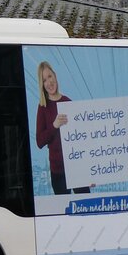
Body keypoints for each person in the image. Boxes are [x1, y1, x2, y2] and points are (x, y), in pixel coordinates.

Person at [34, 61, 89, 195]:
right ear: (42, 85)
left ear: (55, 76)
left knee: (85, 206)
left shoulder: (68, 102)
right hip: (58, 171)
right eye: (44, 80)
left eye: (50, 76)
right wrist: (54, 126)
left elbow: (81, 138)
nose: (49, 82)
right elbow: (39, 142)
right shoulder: (43, 107)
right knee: (64, 210)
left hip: (76, 168)